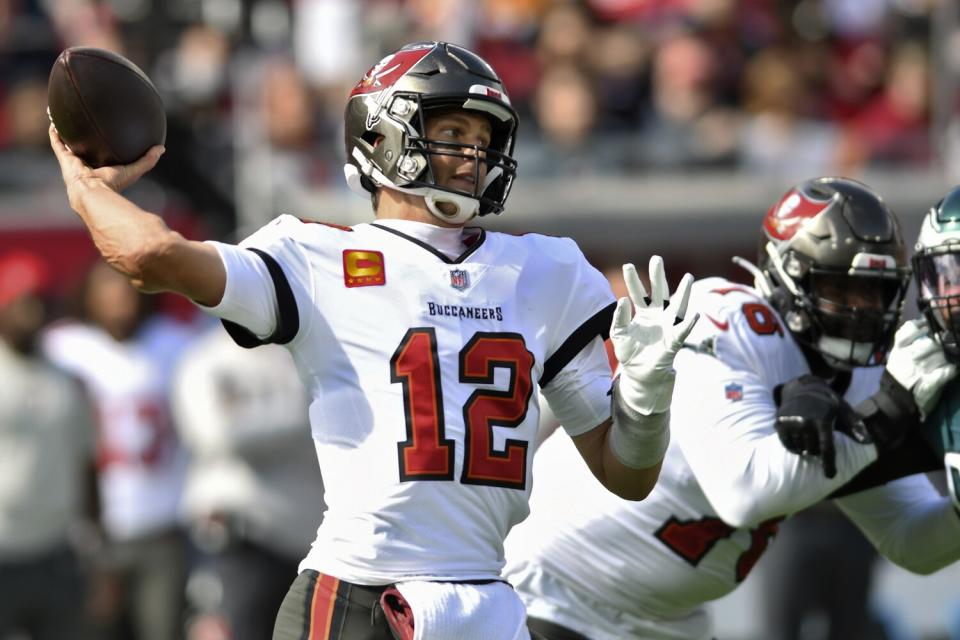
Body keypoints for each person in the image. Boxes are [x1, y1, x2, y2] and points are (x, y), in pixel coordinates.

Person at [48, 40, 697, 639]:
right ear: (385, 136)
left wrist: (646, 396)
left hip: (489, 602)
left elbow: (628, 475)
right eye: (452, 132)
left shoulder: (547, 272)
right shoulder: (316, 258)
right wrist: (83, 188)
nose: (474, 154)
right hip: (360, 596)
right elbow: (152, 256)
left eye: (482, 136)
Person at [503, 176, 960, 640]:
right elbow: (745, 492)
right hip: (553, 592)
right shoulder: (726, 320)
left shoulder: (865, 378)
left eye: (876, 292)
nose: (861, 311)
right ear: (789, 274)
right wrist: (887, 414)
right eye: (842, 289)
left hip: (668, 624)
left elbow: (911, 543)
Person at [42, 260, 194, 640]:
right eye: (107, 290)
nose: (118, 299)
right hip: (90, 531)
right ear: (87, 298)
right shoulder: (65, 348)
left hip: (163, 521)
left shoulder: (175, 344)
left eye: (126, 289)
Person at [172, 326, 326, 640]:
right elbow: (215, 434)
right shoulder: (205, 358)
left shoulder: (305, 355)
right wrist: (298, 417)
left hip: (310, 540)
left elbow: (332, 420)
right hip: (240, 538)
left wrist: (244, 414)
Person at [0, 251, 100, 640]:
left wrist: (96, 547)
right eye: (23, 304)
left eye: (39, 303)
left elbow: (87, 461)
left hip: (56, 549)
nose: (32, 314)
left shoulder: (67, 380)